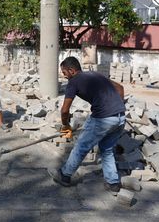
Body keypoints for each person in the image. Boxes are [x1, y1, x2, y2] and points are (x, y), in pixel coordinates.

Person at [48, 56, 126, 195]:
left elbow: (65, 110)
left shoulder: (74, 82)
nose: (64, 76)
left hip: (103, 118)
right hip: (120, 117)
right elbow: (120, 88)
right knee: (106, 149)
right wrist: (116, 106)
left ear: (71, 71)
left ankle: (65, 175)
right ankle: (113, 183)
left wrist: (66, 126)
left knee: (81, 147)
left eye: (64, 73)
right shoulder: (95, 74)